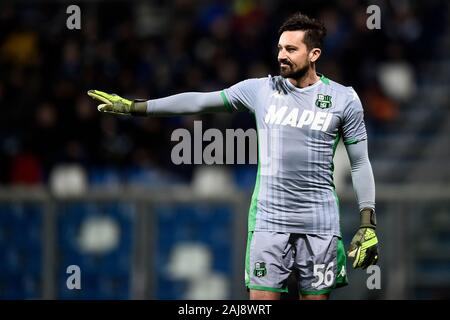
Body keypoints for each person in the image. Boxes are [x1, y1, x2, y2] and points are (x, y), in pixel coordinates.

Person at [87, 12, 378, 300]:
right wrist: (137, 107)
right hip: (269, 221)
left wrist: (367, 221)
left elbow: (360, 162)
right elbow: (200, 101)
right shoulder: (261, 90)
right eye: (279, 48)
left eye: (291, 49)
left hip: (320, 224)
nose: (282, 55)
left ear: (314, 53)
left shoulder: (344, 99)